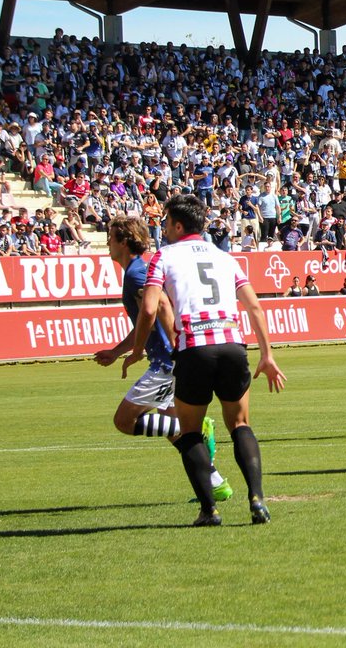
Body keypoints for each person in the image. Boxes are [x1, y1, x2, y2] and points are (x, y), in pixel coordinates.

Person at [122, 194, 286, 527]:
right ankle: (257, 499)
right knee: (240, 425)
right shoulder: (225, 257)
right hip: (231, 345)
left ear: (178, 225)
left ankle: (209, 510)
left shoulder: (163, 257)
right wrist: (267, 354)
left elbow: (151, 308)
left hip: (194, 348)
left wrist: (138, 348)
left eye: (166, 222)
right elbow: (254, 307)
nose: (163, 228)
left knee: (191, 431)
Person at [93, 216, 232, 503]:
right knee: (175, 436)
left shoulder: (136, 273)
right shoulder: (136, 270)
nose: (108, 243)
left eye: (111, 238)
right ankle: (215, 483)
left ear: (123, 241)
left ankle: (198, 427)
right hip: (169, 360)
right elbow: (145, 320)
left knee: (124, 420)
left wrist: (171, 349)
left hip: (166, 364)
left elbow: (159, 307)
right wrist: (118, 351)